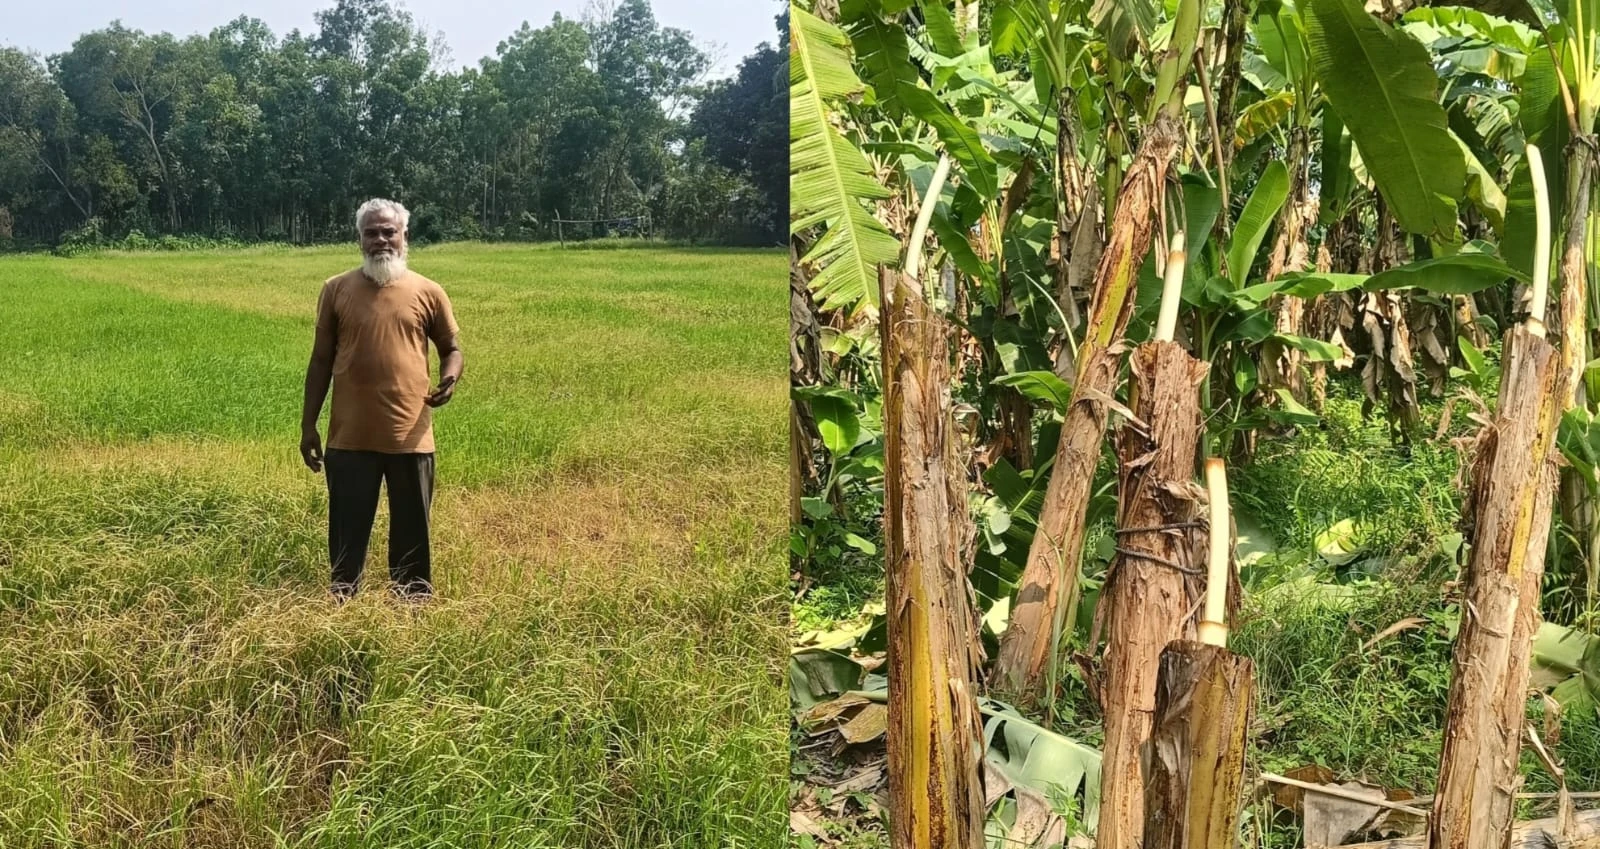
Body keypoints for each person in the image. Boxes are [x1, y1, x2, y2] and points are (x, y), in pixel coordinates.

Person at [299, 198, 464, 601]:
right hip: (349, 439)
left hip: (410, 437)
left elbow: (452, 348)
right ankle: (342, 604)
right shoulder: (335, 289)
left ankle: (412, 610)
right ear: (360, 238)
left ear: (405, 236)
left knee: (412, 533)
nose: (381, 240)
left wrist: (450, 377)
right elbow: (320, 361)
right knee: (346, 532)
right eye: (371, 232)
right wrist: (308, 425)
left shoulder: (429, 291)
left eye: (389, 231)